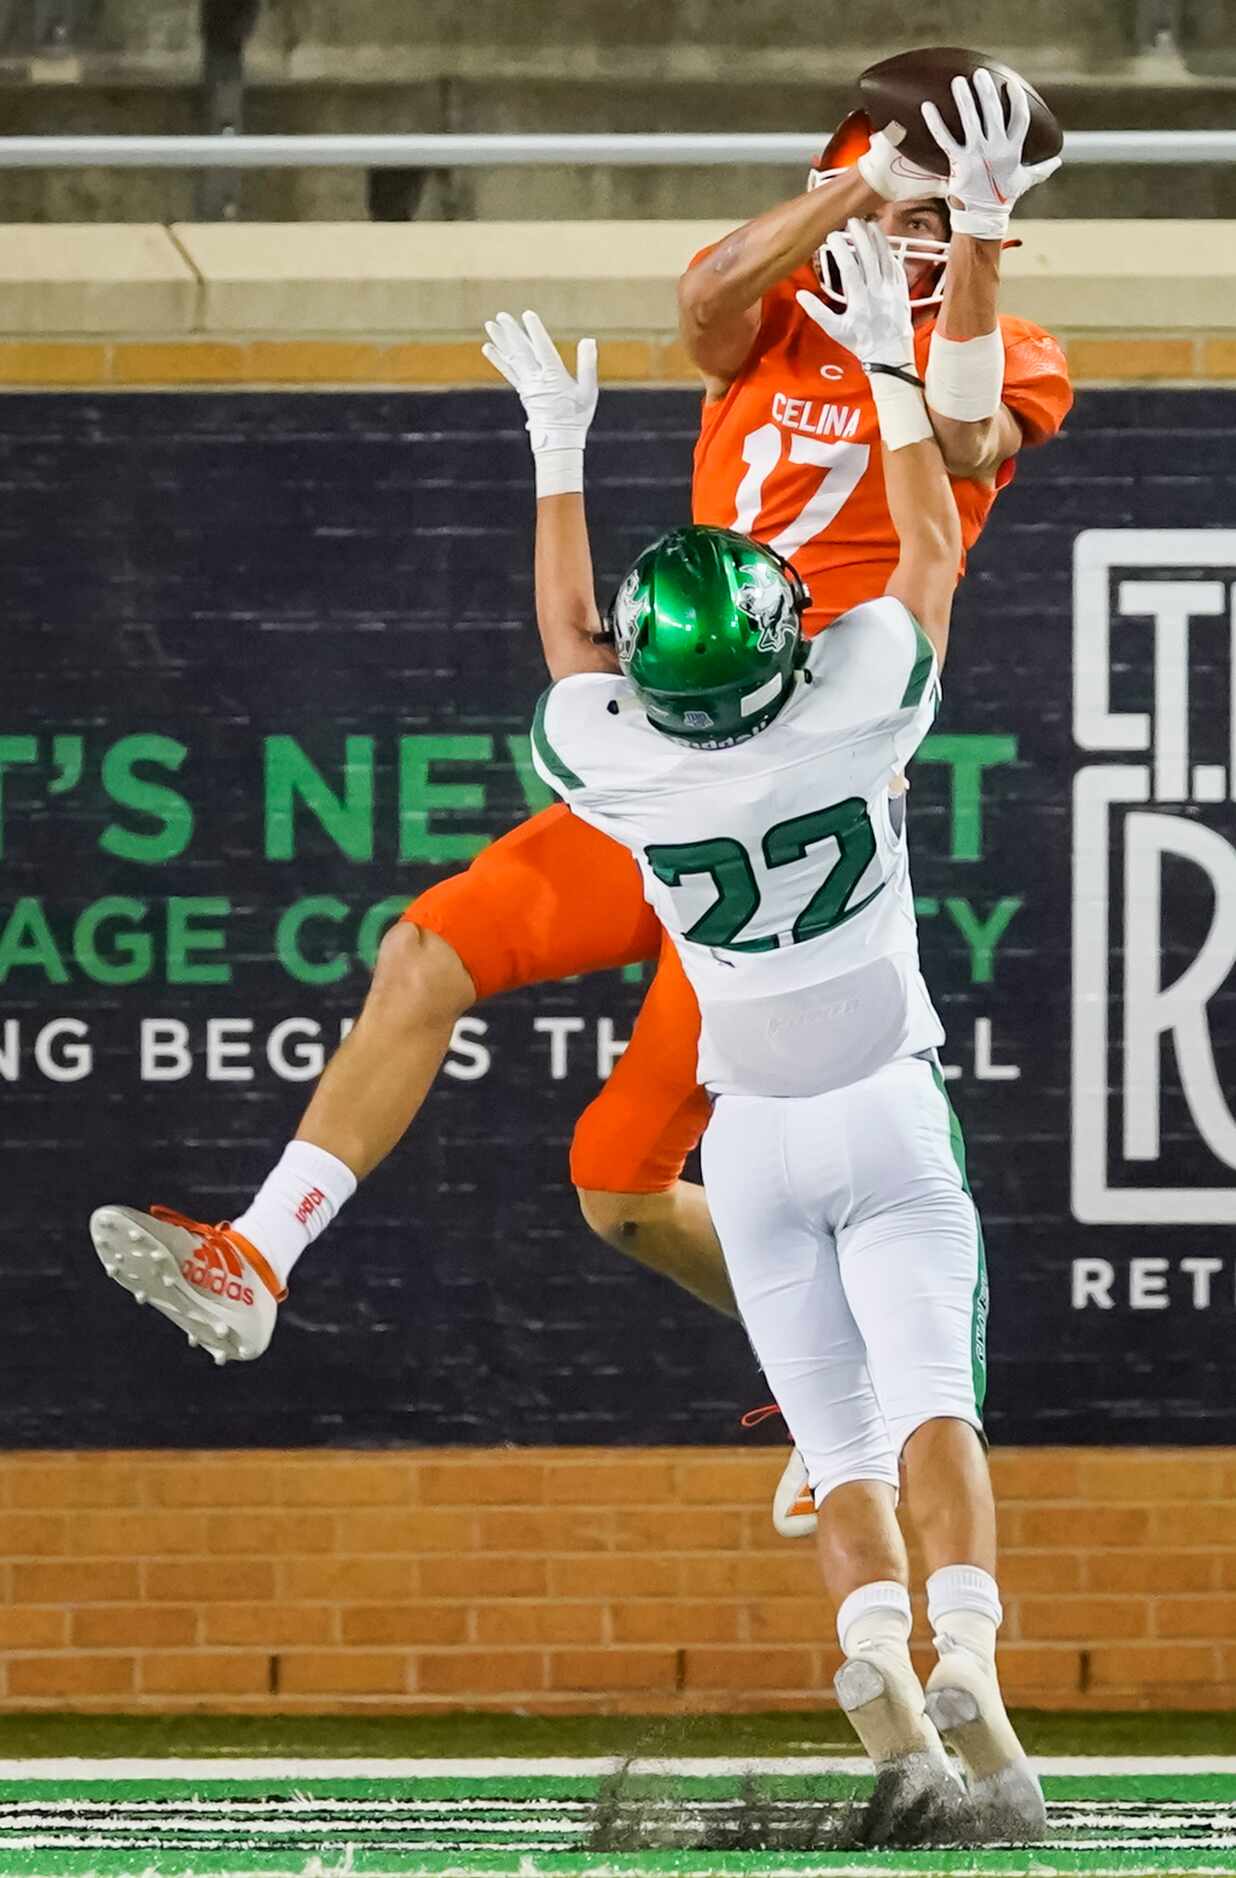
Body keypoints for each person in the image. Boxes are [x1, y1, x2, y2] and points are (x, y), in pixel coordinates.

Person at [88, 72, 1067, 1530]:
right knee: (438, 963)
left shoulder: (1003, 346)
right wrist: (872, 185)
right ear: (847, 168)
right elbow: (705, 305)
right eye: (906, 190)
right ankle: (259, 1257)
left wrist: (970, 239)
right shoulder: (785, 310)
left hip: (796, 798)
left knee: (617, 1176)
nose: (920, 226)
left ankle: (840, 1395)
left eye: (955, 205)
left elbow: (974, 442)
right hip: (679, 771)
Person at [511, 224, 1040, 1838]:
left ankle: (874, 1647)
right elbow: (932, 552)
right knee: (935, 1403)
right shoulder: (856, 703)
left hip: (745, 1142)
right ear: (783, 640)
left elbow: (570, 645)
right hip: (883, 1105)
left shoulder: (618, 755)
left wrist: (556, 450)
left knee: (838, 1436)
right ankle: (968, 1654)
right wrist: (891, 375)